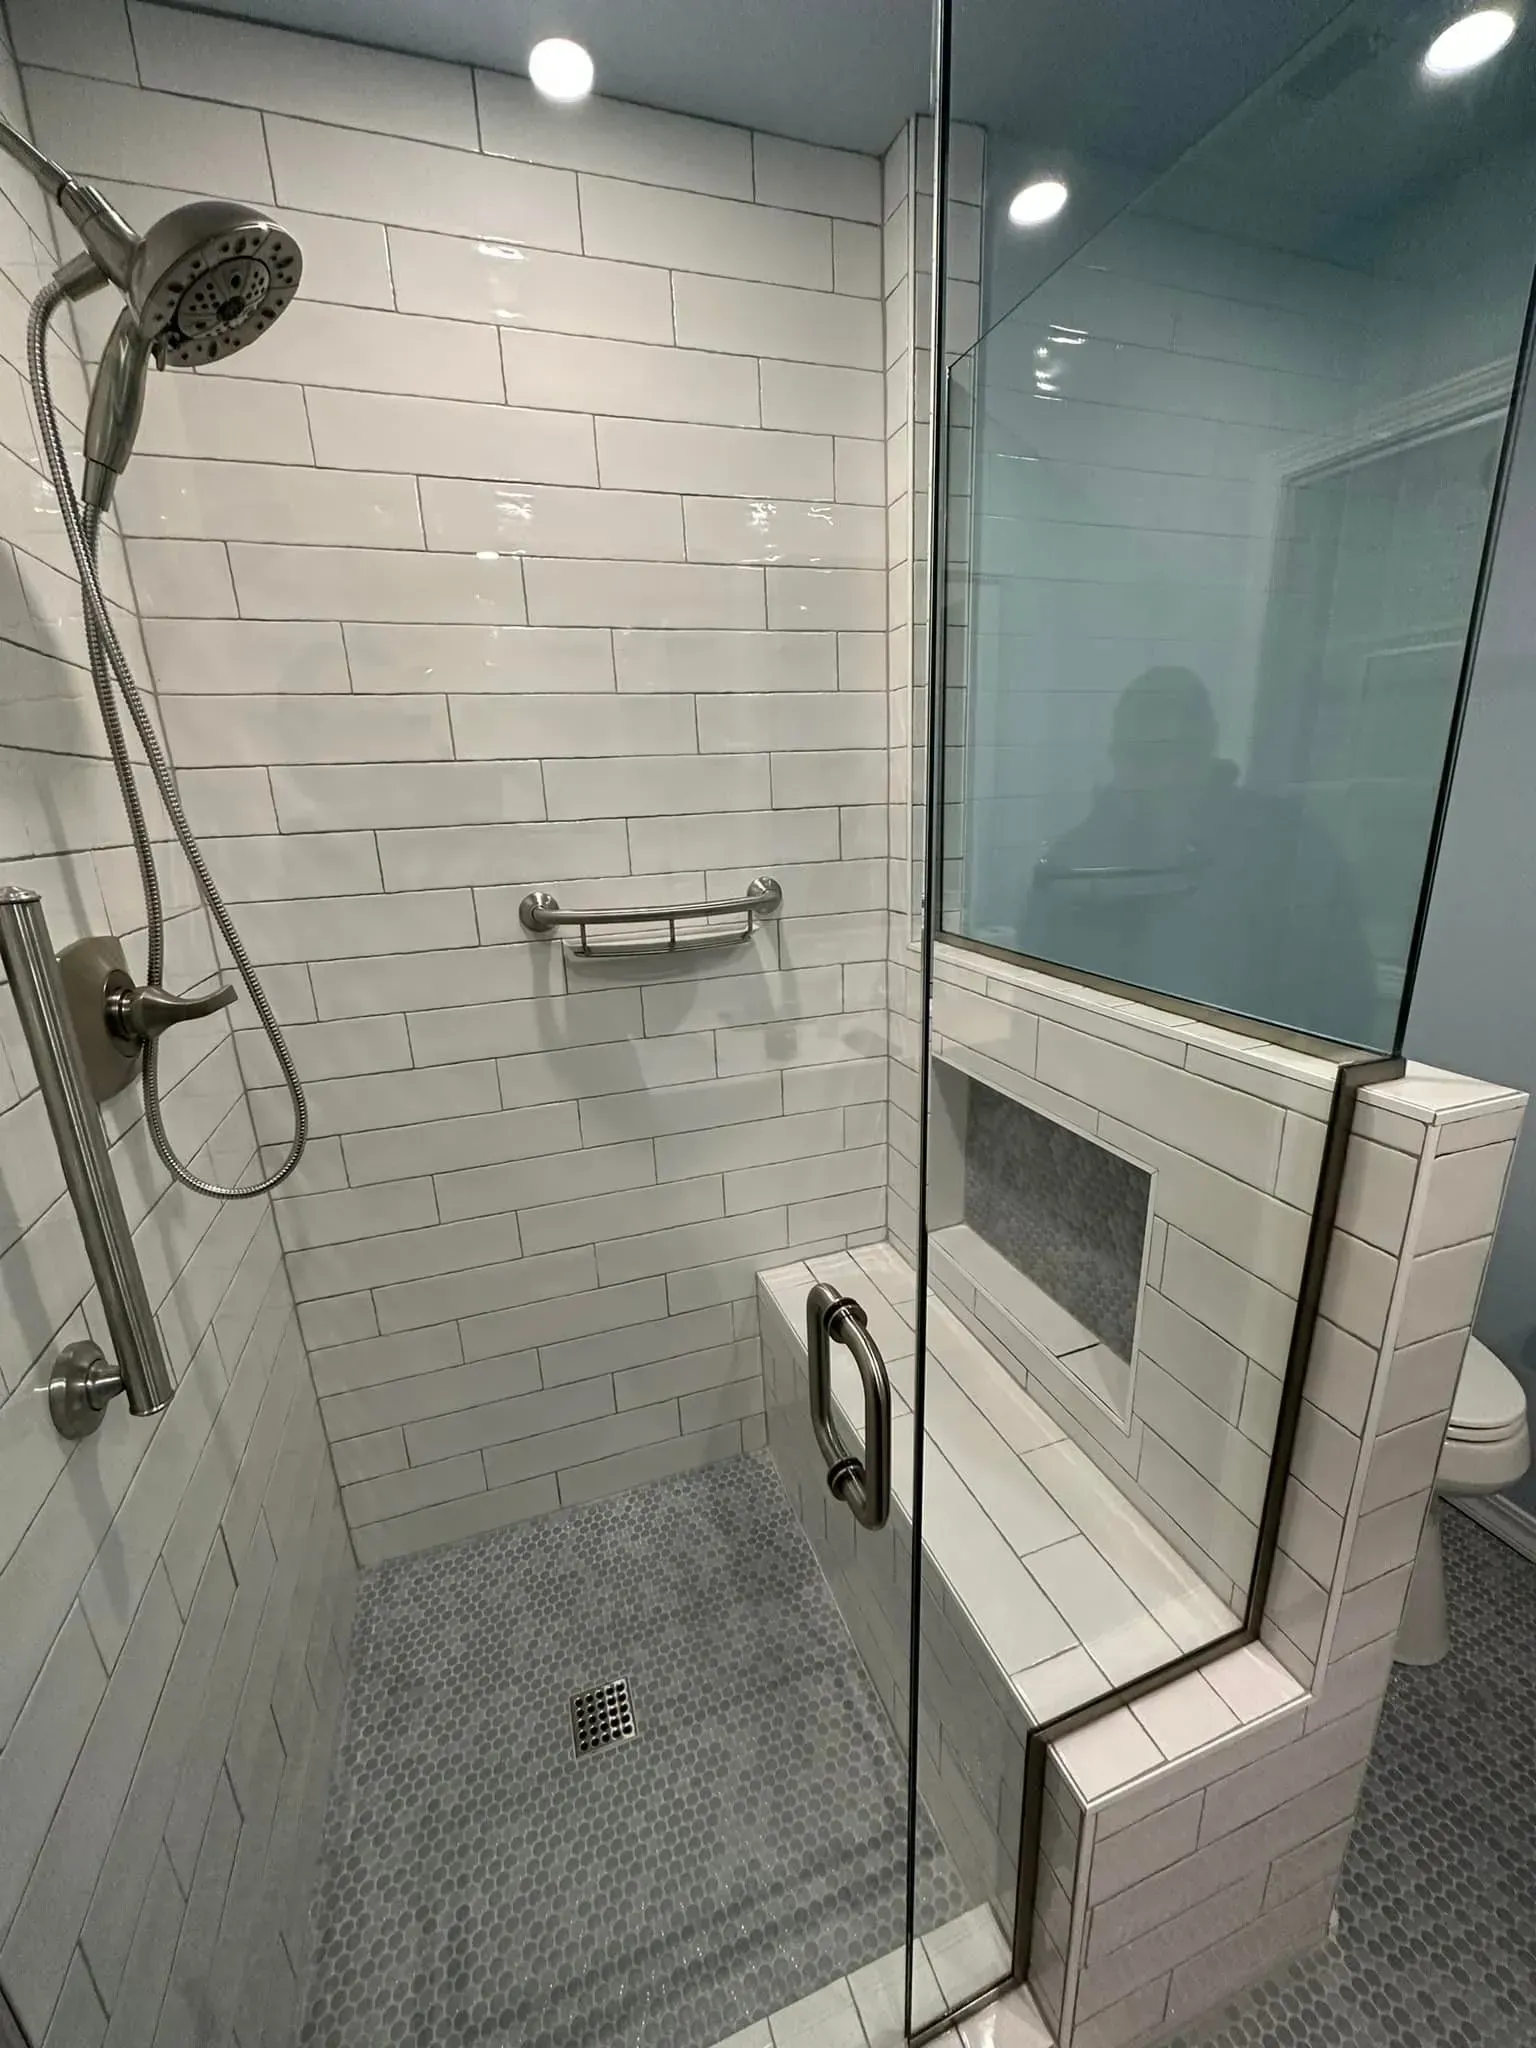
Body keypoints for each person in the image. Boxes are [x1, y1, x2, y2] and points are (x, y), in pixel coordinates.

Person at [1021, 667, 1378, 1043]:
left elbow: (1344, 1003)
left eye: (1180, 753)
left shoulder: (1290, 850)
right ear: (1117, 756)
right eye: (1143, 757)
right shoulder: (1074, 864)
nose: (1166, 776)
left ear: (1209, 746)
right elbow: (1033, 1005)